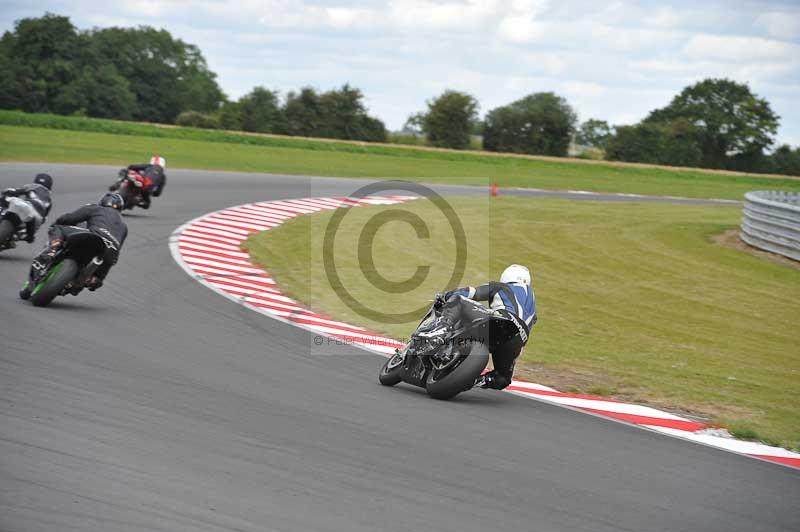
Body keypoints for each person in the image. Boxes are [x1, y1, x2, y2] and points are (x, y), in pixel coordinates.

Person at [436, 264, 537, 390]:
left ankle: (441, 329)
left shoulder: (501, 287)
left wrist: (446, 296)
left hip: (501, 320)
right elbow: (529, 325)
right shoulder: (533, 305)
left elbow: (473, 292)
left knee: (458, 299)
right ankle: (474, 380)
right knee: (502, 379)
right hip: (518, 338)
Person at [20, 193, 128, 300]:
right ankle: (91, 279)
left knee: (59, 227)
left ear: (102, 202)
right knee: (100, 271)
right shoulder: (124, 226)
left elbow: (71, 218)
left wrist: (58, 221)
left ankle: (52, 250)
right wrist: (99, 278)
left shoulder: (95, 208)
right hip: (110, 252)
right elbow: (117, 248)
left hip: (94, 238)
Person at [0, 173, 53, 247]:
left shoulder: (34, 186)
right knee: (28, 236)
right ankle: (26, 236)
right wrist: (31, 235)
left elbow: (16, 191)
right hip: (36, 220)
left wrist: (8, 192)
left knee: (4, 199)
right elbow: (44, 219)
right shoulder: (49, 199)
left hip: (29, 207)